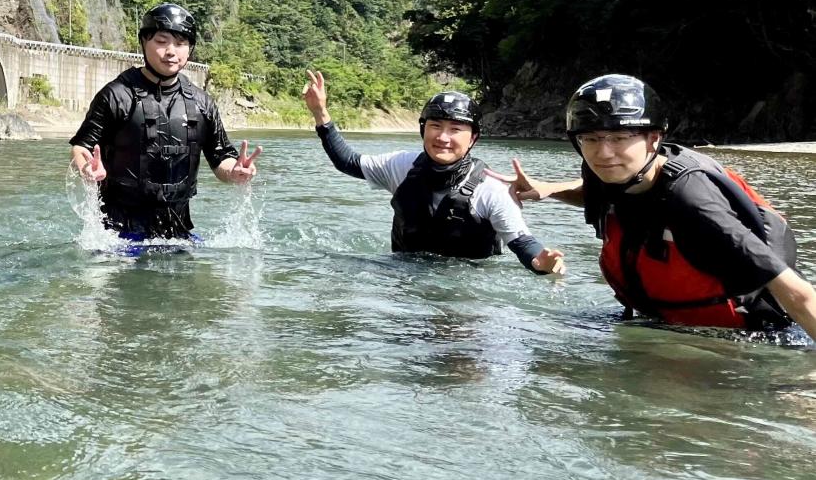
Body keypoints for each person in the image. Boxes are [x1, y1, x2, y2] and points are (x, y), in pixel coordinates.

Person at [511, 74, 816, 336]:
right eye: (590, 138)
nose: (603, 152)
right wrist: (548, 190)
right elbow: (598, 195)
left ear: (653, 139)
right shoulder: (606, 173)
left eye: (620, 137)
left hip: (743, 338)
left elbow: (796, 292)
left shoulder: (692, 202)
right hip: (661, 323)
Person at [302, 71, 565, 274]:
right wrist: (320, 113)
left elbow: (521, 241)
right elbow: (347, 161)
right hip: (404, 276)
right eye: (435, 126)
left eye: (455, 129)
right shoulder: (402, 166)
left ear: (473, 138)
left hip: (466, 288)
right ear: (423, 130)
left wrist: (540, 262)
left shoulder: (492, 188)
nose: (443, 137)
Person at [69, 3, 258, 240]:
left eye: (180, 44)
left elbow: (221, 157)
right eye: (161, 41)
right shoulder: (116, 95)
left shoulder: (202, 103)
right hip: (116, 235)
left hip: (178, 232)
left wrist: (235, 172)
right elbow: (82, 146)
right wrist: (86, 167)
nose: (171, 51)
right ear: (144, 42)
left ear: (190, 49)